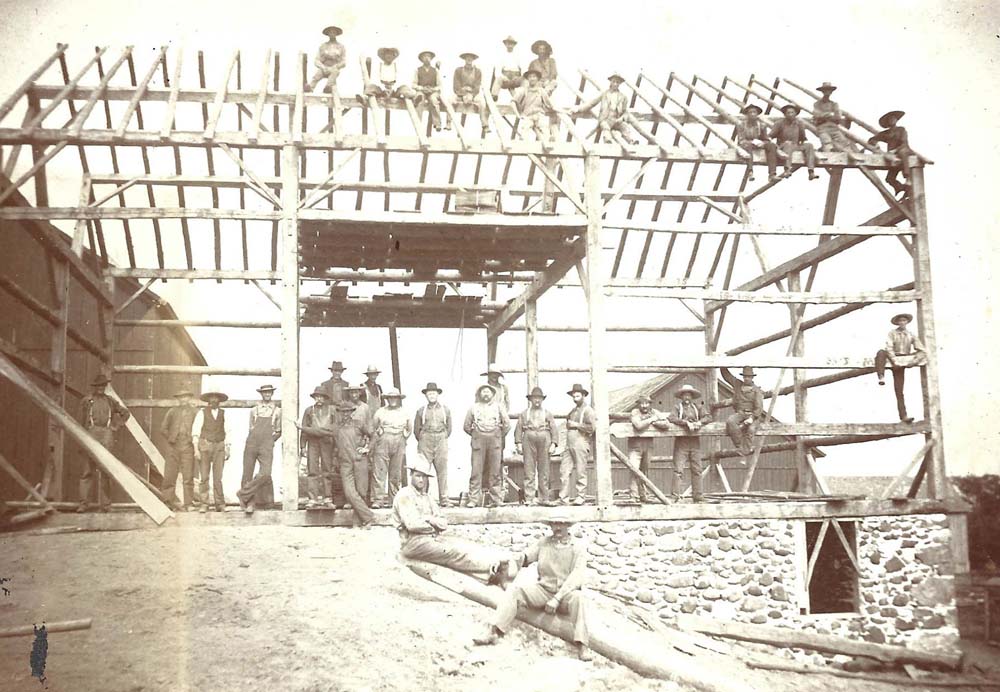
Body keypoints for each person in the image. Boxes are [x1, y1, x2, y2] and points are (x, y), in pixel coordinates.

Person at [473, 517, 592, 661]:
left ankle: (582, 645)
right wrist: (506, 561)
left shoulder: (578, 547)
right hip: (544, 590)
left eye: (561, 524)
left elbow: (577, 576)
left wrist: (557, 599)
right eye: (554, 524)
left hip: (566, 595)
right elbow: (525, 557)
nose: (557, 527)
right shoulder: (544, 543)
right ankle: (494, 631)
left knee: (579, 598)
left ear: (568, 526)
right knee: (515, 591)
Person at [393, 454, 511, 582]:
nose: (421, 480)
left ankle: (489, 571)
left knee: (463, 544)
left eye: (424, 477)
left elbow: (443, 523)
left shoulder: (427, 497)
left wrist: (429, 519)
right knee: (453, 553)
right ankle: (491, 569)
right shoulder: (405, 495)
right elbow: (413, 525)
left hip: (431, 538)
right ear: (411, 475)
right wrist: (433, 524)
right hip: (412, 543)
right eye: (418, 476)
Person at [77, 375, 130, 512]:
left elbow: (125, 413)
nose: (101, 388)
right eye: (98, 386)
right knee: (87, 470)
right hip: (90, 434)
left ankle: (106, 505)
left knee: (106, 470)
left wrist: (115, 426)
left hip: (107, 435)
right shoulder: (87, 401)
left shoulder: (110, 401)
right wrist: (83, 437)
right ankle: (83, 504)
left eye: (103, 386)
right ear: (94, 387)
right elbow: (79, 421)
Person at [463, 384, 511, 508]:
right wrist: (477, 434)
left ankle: (496, 499)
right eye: (483, 392)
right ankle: (474, 499)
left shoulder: (499, 407)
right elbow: (466, 426)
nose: (485, 394)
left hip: (494, 441)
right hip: (479, 442)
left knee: (495, 471)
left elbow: (507, 425)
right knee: (476, 471)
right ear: (480, 394)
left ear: (492, 394)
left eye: (488, 392)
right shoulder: (473, 408)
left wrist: (497, 435)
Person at [237, 384, 281, 515]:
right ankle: (249, 503)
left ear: (272, 394)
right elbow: (251, 427)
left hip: (266, 444)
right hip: (252, 442)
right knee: (247, 472)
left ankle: (243, 493)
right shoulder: (254, 410)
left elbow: (279, 431)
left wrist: (269, 443)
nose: (267, 395)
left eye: (269, 393)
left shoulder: (277, 410)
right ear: (261, 394)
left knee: (265, 473)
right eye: (265, 393)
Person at [875, 313, 926, 423]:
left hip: (903, 361)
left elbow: (922, 350)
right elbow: (889, 347)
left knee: (899, 390)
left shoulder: (911, 334)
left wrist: (913, 362)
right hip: (893, 357)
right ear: (897, 322)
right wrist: (894, 360)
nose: (902, 322)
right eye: (900, 321)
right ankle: (881, 376)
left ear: (907, 322)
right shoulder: (892, 333)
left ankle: (903, 416)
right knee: (880, 353)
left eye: (904, 320)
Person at [333, 400, 376, 527]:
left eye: (348, 411)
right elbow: (319, 431)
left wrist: (367, 448)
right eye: (342, 412)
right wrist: (302, 428)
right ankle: (369, 516)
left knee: (361, 492)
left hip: (359, 460)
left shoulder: (359, 424)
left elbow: (374, 435)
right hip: (345, 463)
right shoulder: (336, 427)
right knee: (349, 492)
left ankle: (358, 522)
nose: (345, 414)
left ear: (352, 412)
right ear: (339, 413)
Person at [667, 384, 713, 503]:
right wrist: (684, 423)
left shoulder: (698, 407)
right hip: (681, 443)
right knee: (678, 470)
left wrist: (699, 423)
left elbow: (708, 417)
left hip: (694, 442)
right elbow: (671, 418)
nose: (687, 397)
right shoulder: (678, 408)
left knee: (697, 469)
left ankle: (698, 496)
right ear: (681, 396)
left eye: (689, 394)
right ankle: (674, 496)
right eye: (684, 394)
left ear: (692, 396)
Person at [513, 386, 558, 505]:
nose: (537, 401)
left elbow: (554, 428)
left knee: (544, 469)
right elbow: (518, 428)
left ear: (542, 400)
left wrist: (554, 443)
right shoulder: (525, 414)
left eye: (539, 398)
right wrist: (518, 443)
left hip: (544, 438)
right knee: (529, 468)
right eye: (534, 398)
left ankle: (544, 498)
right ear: (531, 400)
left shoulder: (547, 413)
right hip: (529, 438)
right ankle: (529, 498)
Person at [159, 390, 201, 511]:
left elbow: (199, 429)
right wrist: (171, 437)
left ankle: (188, 504)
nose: (183, 399)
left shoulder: (195, 412)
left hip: (188, 447)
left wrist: (192, 441)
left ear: (189, 398)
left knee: (188, 476)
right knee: (169, 475)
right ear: (178, 399)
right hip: (173, 447)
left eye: (186, 397)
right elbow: (163, 428)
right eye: (181, 397)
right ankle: (168, 502)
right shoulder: (172, 411)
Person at [413, 382, 453, 506]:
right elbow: (416, 430)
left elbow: (449, 428)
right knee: (423, 469)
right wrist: (424, 439)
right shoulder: (421, 411)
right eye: (429, 393)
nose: (431, 395)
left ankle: (444, 498)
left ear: (437, 394)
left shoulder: (445, 409)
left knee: (442, 470)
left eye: (433, 393)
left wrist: (442, 437)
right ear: (426, 395)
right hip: (426, 439)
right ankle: (422, 498)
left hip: (441, 439)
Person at [571, 72, 638, 145]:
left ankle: (631, 141)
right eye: (614, 81)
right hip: (605, 119)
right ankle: (608, 142)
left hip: (616, 120)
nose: (615, 84)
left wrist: (621, 119)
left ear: (620, 84)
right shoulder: (605, 94)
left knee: (625, 127)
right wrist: (578, 109)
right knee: (606, 128)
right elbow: (592, 103)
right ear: (611, 82)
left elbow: (625, 112)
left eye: (617, 82)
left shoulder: (623, 97)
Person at [371, 388, 411, 508]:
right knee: (379, 471)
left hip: (399, 440)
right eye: (390, 398)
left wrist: (404, 436)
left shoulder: (404, 412)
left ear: (398, 399)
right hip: (383, 441)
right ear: (387, 399)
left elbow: (409, 428)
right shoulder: (380, 412)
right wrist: (380, 433)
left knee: (396, 472)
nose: (393, 400)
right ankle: (378, 499)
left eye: (395, 398)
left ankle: (394, 499)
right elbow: (374, 427)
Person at [192, 391, 230, 513]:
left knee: (218, 477)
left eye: (216, 398)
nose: (214, 400)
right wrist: (196, 450)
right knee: (204, 477)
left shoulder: (224, 414)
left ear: (219, 401)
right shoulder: (202, 413)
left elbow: (228, 431)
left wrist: (228, 448)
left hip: (219, 446)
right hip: (205, 445)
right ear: (208, 400)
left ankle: (220, 504)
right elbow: (196, 432)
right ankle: (204, 504)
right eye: (211, 398)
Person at [626, 394, 669, 503]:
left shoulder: (654, 412)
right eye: (642, 403)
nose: (644, 405)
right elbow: (638, 425)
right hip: (635, 446)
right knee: (634, 470)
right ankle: (633, 496)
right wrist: (651, 420)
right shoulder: (635, 412)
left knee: (644, 471)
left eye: (647, 403)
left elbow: (666, 424)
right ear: (639, 404)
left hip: (648, 445)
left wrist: (654, 421)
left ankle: (643, 495)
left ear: (650, 404)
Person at [299, 387, 337, 509]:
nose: (319, 399)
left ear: (325, 398)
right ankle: (313, 498)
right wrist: (302, 446)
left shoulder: (332, 410)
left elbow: (335, 429)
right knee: (312, 470)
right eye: (317, 396)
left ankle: (327, 498)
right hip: (313, 442)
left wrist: (336, 446)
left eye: (321, 396)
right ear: (314, 398)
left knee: (327, 470)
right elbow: (304, 429)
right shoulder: (309, 410)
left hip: (327, 442)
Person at [561, 384, 595, 506]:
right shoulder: (573, 411)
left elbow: (591, 428)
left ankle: (581, 497)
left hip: (581, 441)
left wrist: (576, 425)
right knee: (564, 471)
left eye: (578, 396)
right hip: (569, 443)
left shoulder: (588, 410)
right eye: (574, 396)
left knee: (581, 471)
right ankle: (563, 498)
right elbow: (567, 423)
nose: (575, 398)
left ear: (584, 395)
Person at [868, 110, 914, 198]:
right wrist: (875, 144)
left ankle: (908, 179)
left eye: (893, 119)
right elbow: (872, 139)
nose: (892, 120)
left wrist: (894, 150)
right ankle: (900, 188)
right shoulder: (886, 133)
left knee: (903, 152)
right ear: (888, 122)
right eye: (890, 119)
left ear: (896, 120)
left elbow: (904, 143)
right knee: (889, 179)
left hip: (902, 151)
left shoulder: (901, 129)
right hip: (893, 157)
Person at [720, 367, 764, 457]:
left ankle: (745, 452)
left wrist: (751, 418)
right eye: (745, 376)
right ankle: (740, 447)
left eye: (748, 377)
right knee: (730, 421)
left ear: (752, 378)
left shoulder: (757, 391)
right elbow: (727, 376)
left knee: (751, 429)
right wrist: (722, 365)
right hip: (740, 413)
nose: (746, 378)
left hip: (753, 415)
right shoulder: (738, 384)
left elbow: (759, 408)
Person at [769, 105, 819, 180]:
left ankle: (811, 172)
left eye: (792, 112)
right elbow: (771, 135)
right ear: (785, 114)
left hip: (795, 145)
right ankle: (787, 169)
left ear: (796, 114)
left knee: (809, 145)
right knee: (788, 144)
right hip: (783, 146)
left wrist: (802, 144)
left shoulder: (799, 123)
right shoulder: (779, 123)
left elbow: (803, 137)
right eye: (788, 113)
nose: (790, 114)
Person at [511, 69, 556, 145]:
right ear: (528, 79)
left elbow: (550, 105)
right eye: (530, 77)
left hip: (539, 115)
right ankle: (524, 143)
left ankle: (548, 141)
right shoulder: (524, 90)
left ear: (537, 79)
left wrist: (558, 110)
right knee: (524, 131)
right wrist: (518, 115)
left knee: (545, 128)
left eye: (534, 77)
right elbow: (512, 102)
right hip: (528, 116)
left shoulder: (541, 91)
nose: (532, 78)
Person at [736, 104, 778, 182]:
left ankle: (772, 174)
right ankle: (750, 171)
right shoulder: (741, 125)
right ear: (747, 114)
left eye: (754, 112)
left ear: (757, 114)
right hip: (747, 145)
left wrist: (762, 142)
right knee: (747, 146)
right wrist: (752, 142)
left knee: (771, 146)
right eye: (750, 112)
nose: (752, 114)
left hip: (758, 144)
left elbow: (766, 139)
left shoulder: (761, 125)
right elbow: (741, 140)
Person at [452, 52, 491, 132]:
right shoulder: (458, 70)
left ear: (473, 59)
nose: (469, 59)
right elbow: (456, 85)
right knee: (450, 101)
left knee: (482, 103)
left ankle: (485, 125)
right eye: (467, 57)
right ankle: (448, 123)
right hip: (461, 93)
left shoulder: (478, 71)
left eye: (471, 58)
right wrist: (463, 95)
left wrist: (471, 95)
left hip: (472, 94)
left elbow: (477, 86)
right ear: (464, 59)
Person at [812, 82, 854, 154]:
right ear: (822, 92)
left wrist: (825, 115)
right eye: (825, 90)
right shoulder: (817, 104)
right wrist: (828, 115)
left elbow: (837, 117)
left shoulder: (834, 104)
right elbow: (816, 115)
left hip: (833, 128)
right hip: (823, 128)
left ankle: (852, 155)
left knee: (844, 142)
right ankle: (828, 160)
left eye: (829, 90)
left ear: (831, 92)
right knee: (827, 143)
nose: (827, 92)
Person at [412, 50, 447, 131]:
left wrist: (433, 89)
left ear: (431, 59)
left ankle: (437, 123)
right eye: (424, 57)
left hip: (432, 92)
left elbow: (440, 85)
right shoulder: (417, 70)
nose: (427, 58)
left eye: (429, 57)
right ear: (422, 59)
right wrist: (421, 88)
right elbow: (413, 84)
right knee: (419, 99)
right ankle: (418, 123)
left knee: (434, 100)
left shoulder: (435, 70)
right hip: (422, 91)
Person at [306, 25, 347, 94]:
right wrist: (323, 67)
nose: (332, 34)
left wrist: (336, 66)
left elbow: (344, 62)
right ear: (328, 34)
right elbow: (316, 60)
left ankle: (328, 88)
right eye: (330, 32)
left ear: (336, 34)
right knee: (316, 77)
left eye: (334, 32)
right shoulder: (323, 46)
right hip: (324, 67)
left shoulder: (341, 47)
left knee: (334, 74)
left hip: (334, 67)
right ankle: (309, 88)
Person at [491, 35, 523, 100]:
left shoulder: (518, 55)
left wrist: (519, 77)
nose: (510, 45)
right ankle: (494, 96)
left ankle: (524, 99)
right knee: (498, 79)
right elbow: (497, 70)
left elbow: (524, 69)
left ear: (514, 45)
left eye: (511, 44)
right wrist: (503, 77)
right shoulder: (501, 55)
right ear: (505, 44)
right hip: (505, 78)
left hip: (515, 78)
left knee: (526, 81)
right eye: (508, 44)